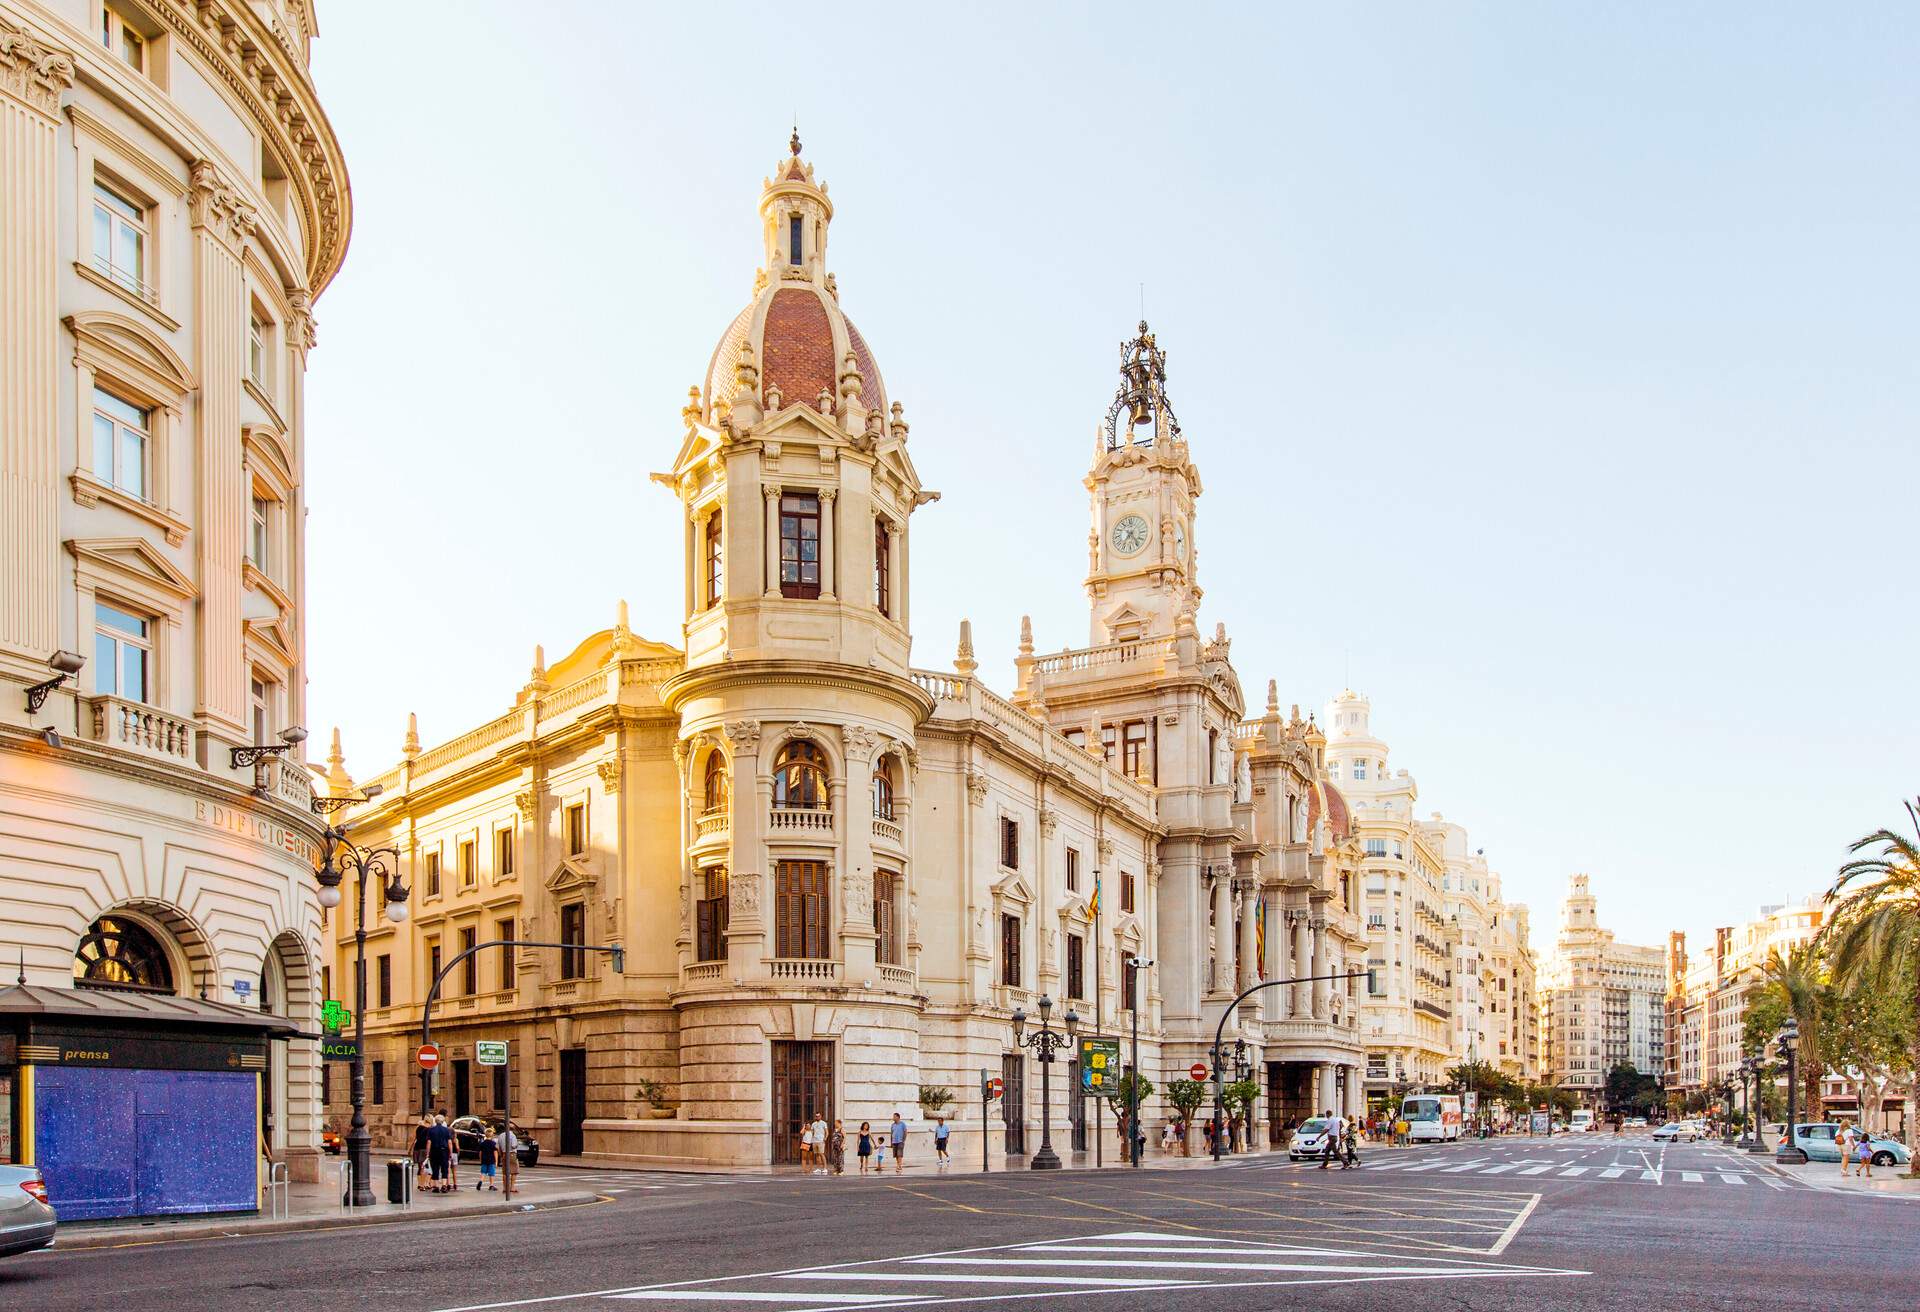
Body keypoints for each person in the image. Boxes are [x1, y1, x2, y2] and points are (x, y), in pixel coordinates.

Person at [427, 1113, 454, 1194]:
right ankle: (444, 1185)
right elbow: (449, 1142)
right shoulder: (446, 1130)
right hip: (444, 1151)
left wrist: (428, 1153)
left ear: (435, 1120)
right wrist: (450, 1152)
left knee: (435, 1168)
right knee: (444, 1168)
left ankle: (436, 1186)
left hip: (434, 1151)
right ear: (443, 1121)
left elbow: (429, 1142)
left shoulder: (431, 1130)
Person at [477, 1123, 499, 1191]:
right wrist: (496, 1161)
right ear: (492, 1135)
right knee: (491, 1173)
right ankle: (491, 1185)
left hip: (484, 1160)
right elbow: (495, 1153)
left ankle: (480, 1181)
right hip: (491, 1160)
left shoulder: (482, 1143)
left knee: (483, 1172)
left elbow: (480, 1153)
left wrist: (480, 1160)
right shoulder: (493, 1144)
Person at [413, 1115, 432, 1189]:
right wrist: (428, 1151)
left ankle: (419, 1183)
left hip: (417, 1148)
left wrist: (410, 1149)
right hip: (424, 1149)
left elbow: (414, 1138)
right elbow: (428, 1141)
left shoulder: (418, 1128)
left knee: (420, 1167)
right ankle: (422, 1185)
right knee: (424, 1167)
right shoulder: (429, 1129)